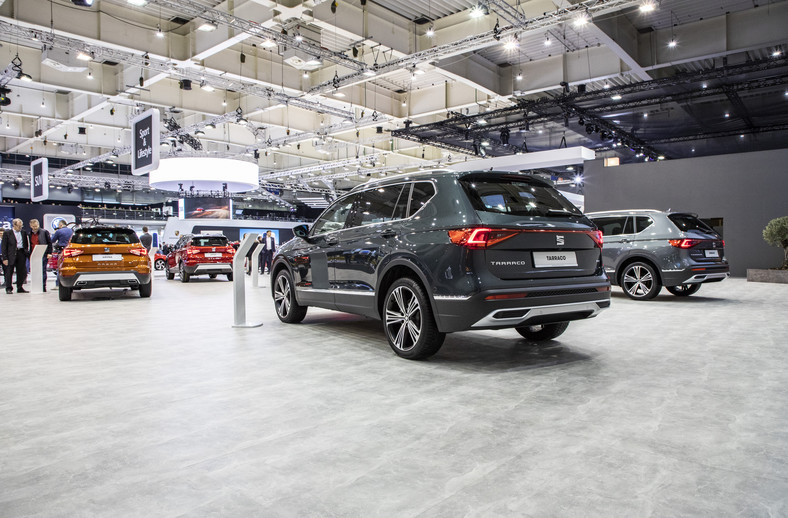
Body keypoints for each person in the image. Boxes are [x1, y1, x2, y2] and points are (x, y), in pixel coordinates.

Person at [2, 218, 30, 294]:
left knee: (21, 271)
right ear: (14, 225)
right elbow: (4, 246)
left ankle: (20, 287)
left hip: (21, 253)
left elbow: (26, 244)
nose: (20, 228)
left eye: (21, 226)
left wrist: (25, 252)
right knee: (9, 271)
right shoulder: (7, 233)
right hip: (11, 254)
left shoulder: (23, 232)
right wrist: (5, 258)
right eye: (18, 226)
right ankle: (8, 288)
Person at [29, 219, 53, 292]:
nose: (35, 228)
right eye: (33, 226)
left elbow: (49, 243)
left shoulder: (44, 232)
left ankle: (43, 286)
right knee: (34, 271)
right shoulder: (29, 234)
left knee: (42, 270)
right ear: (31, 226)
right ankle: (36, 286)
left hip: (43, 254)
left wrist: (49, 252)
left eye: (36, 226)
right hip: (33, 255)